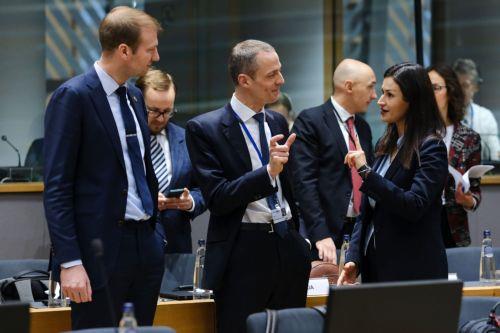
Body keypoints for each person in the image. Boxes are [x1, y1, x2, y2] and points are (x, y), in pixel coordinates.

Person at [43, 7, 165, 329]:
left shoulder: (136, 97)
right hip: (99, 253)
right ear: (124, 50)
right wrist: (70, 261)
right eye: (150, 49)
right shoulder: (73, 97)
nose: (156, 56)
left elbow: (140, 169)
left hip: (145, 247)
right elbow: (57, 187)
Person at [185, 39, 311, 333]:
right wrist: (267, 173)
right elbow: (217, 198)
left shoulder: (278, 121)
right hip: (243, 251)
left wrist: (300, 241)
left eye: (280, 71)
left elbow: (291, 186)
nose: (281, 80)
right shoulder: (205, 129)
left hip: (287, 246)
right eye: (271, 75)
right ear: (244, 80)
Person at [339, 62, 448, 284]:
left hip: (414, 272)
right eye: (382, 93)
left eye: (390, 95)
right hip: (377, 268)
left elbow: (414, 205)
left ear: (412, 101)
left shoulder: (431, 147)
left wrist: (366, 172)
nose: (380, 101)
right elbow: (367, 212)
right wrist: (354, 258)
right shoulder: (386, 144)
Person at [290, 59, 376, 264]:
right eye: (371, 87)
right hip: (324, 232)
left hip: (358, 231)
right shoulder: (311, 120)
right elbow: (304, 182)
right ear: (349, 86)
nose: (375, 96)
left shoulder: (363, 127)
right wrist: (320, 233)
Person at [136, 69, 206, 253]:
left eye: (167, 111)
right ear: (138, 103)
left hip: (176, 247)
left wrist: (190, 201)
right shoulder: (124, 141)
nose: (161, 118)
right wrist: (146, 199)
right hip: (133, 246)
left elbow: (205, 189)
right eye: (154, 111)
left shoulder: (187, 139)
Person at [427, 63, 482, 247]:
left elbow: (475, 193)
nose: (429, 94)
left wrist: (466, 200)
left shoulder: (469, 138)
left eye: (435, 88)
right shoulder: (416, 135)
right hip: (422, 224)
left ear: (449, 92)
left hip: (454, 227)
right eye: (426, 89)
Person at [453, 58, 500, 161]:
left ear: (476, 87)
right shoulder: (441, 114)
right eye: (456, 85)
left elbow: (495, 157)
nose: (459, 90)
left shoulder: (486, 117)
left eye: (465, 85)